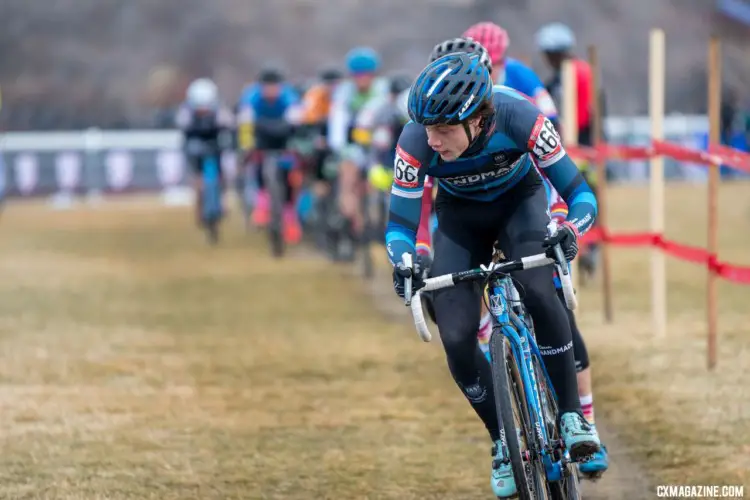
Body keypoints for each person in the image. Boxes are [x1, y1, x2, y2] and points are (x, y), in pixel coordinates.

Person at [386, 52, 600, 498]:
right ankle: (502, 442)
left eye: (443, 130)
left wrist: (568, 230)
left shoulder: (520, 117)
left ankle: (570, 414)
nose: (434, 140)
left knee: (541, 292)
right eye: (427, 129)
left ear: (477, 120)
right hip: (460, 220)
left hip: (519, 206)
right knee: (458, 333)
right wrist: (404, 260)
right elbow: (400, 226)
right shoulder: (416, 140)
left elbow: (580, 194)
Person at [535, 22, 603, 278]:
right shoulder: (555, 80)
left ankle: (587, 248)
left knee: (582, 195)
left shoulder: (579, 73)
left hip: (580, 145)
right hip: (564, 145)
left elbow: (584, 115)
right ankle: (580, 248)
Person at [327, 47, 389, 259]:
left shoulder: (382, 90)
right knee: (349, 174)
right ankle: (348, 216)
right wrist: (340, 147)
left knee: (380, 181)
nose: (363, 79)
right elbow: (337, 122)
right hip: (351, 144)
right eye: (358, 75)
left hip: (376, 145)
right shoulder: (344, 93)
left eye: (367, 75)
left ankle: (379, 218)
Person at [237, 65, 302, 244]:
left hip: (283, 139)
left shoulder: (289, 97)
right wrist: (246, 146)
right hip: (262, 139)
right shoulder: (251, 97)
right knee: (258, 165)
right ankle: (262, 202)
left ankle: (290, 218)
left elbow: (296, 124)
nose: (271, 90)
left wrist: (296, 146)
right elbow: (245, 125)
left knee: (289, 176)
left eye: (275, 86)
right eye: (267, 86)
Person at [175, 78, 234, 225]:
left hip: (214, 147)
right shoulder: (186, 112)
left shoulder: (219, 111)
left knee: (221, 173)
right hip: (195, 148)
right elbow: (183, 129)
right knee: (198, 178)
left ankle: (222, 200)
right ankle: (200, 207)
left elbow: (229, 124)